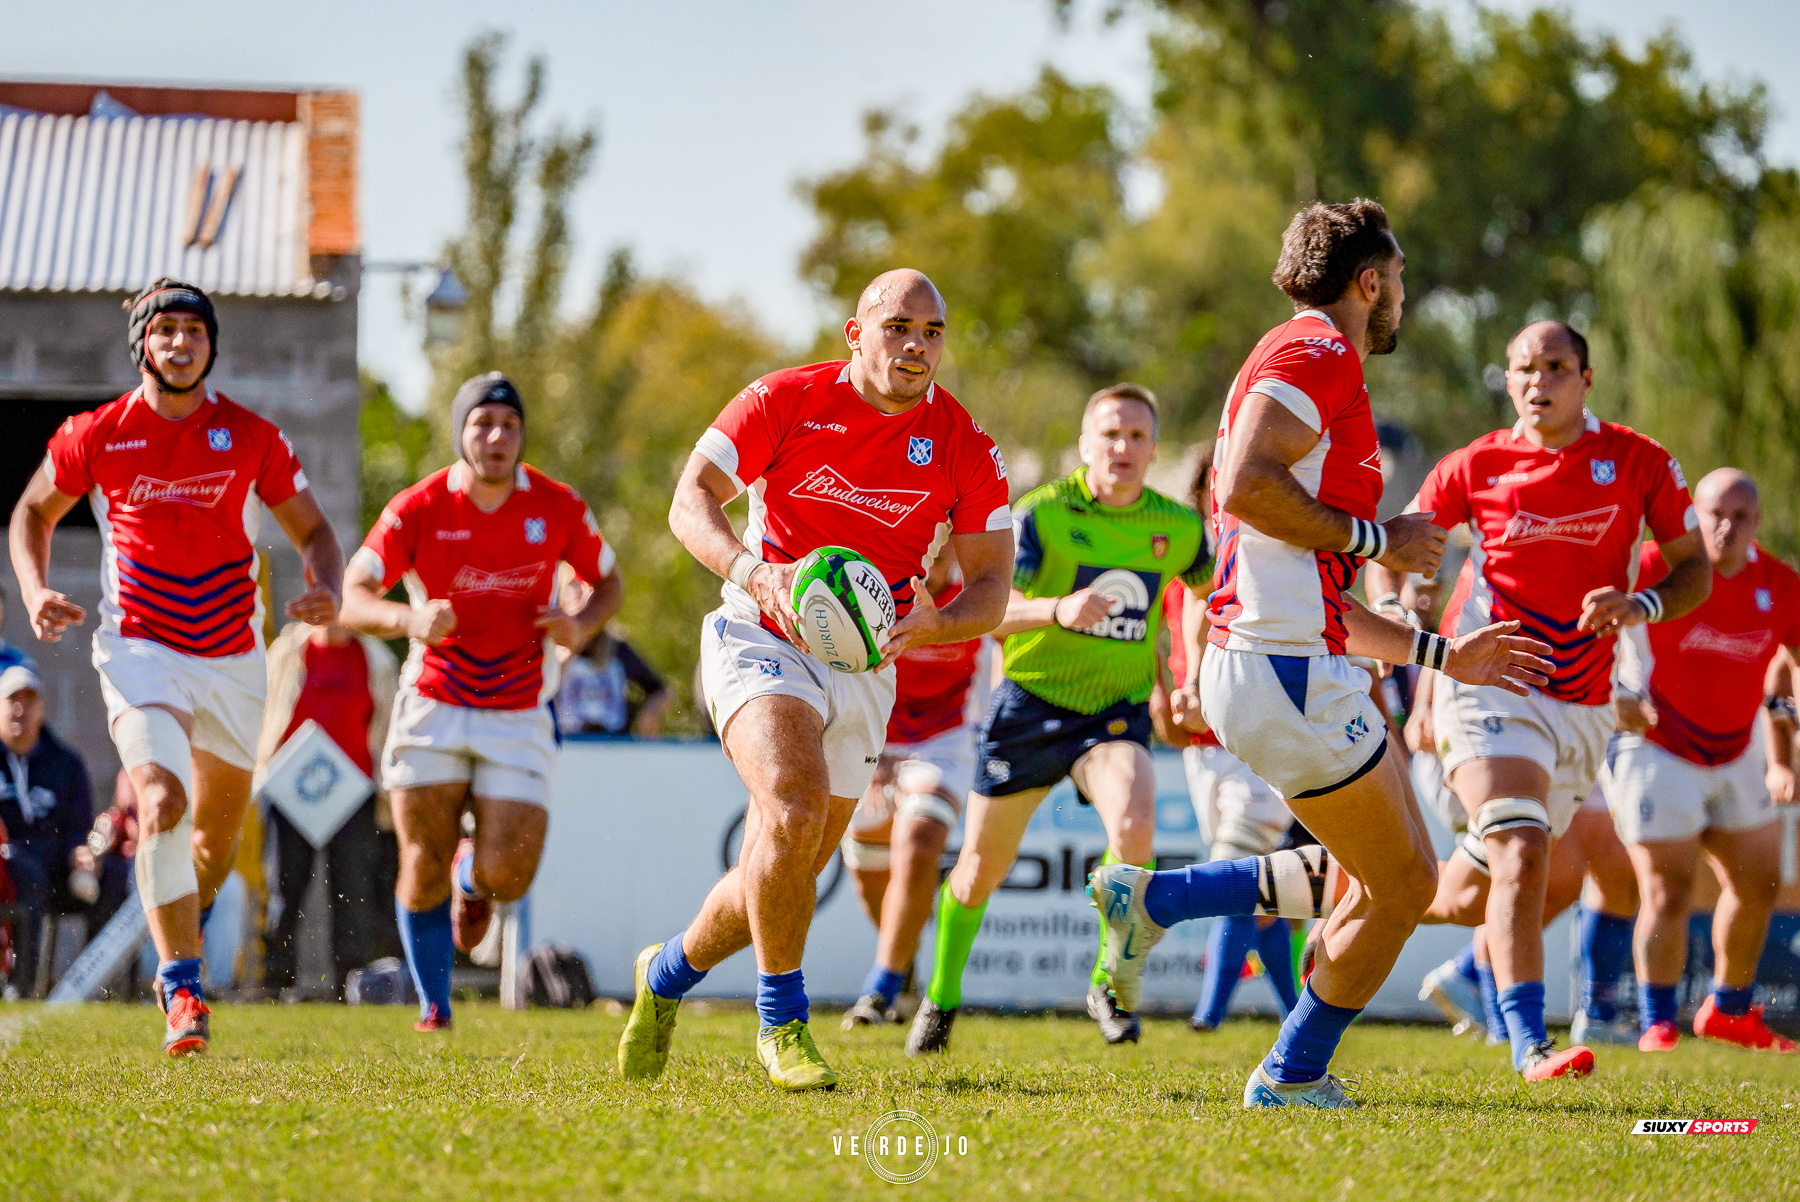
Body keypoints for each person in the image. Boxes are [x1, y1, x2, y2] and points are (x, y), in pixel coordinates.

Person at [1089, 200, 1551, 1109]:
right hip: (1280, 668)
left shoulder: (1306, 357)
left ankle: (1154, 907)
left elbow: (1326, 595)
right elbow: (1245, 483)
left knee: (1369, 875)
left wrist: (1442, 655)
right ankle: (1289, 1072)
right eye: (1402, 276)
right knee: (1409, 881)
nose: (1405, 296)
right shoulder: (1319, 351)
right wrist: (1382, 540)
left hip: (1291, 660)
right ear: (1368, 282)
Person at [619, 269, 1013, 1092]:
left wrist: (940, 622)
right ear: (855, 332)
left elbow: (991, 587)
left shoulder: (967, 445)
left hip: (866, 671)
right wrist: (752, 571)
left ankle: (663, 979)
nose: (917, 345)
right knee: (792, 805)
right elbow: (690, 499)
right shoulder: (781, 399)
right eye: (900, 325)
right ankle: (783, 1024)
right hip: (758, 634)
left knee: (788, 857)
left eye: (933, 331)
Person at [1368, 317, 1709, 1081]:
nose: (1536, 381)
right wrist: (1396, 613)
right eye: (1523, 368)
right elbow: (1394, 551)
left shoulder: (1639, 461)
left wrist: (1642, 604)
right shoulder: (1475, 465)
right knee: (1523, 847)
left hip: (1584, 706)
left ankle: (1249, 892)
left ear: (1586, 380)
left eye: (1555, 367)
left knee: (1455, 891)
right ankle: (1529, 1042)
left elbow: (1693, 568)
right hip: (1490, 685)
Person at [8, 278, 342, 1055]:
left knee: (213, 843)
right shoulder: (95, 433)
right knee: (158, 800)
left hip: (232, 657)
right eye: (166, 331)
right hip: (141, 649)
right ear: (143, 346)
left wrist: (324, 585)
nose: (181, 343)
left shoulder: (253, 436)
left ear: (211, 345)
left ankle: (181, 923)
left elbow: (315, 529)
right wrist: (35, 588)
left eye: (195, 331)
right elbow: (32, 511)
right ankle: (182, 987)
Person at [903, 382, 1208, 1054]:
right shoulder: (1040, 516)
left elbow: (1207, 597)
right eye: (1109, 434)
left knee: (1135, 824)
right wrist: (1057, 609)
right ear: (1084, 444)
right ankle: (942, 997)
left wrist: (1187, 681)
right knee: (980, 867)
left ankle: (1107, 979)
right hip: (1031, 705)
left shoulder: (1180, 527)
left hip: (1114, 713)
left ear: (1153, 449)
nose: (1122, 447)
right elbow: (982, 612)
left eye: (1135, 437)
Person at [341, 372, 621, 1033]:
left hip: (520, 704)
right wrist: (410, 621)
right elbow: (354, 594)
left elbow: (608, 581)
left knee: (508, 876)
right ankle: (434, 1006)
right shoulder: (419, 505)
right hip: (434, 700)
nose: (496, 437)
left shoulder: (555, 505)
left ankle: (474, 879)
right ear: (461, 432)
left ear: (521, 437)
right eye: (482, 424)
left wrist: (580, 627)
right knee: (420, 858)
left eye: (509, 426)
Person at [1605, 468, 1798, 1053]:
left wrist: (1783, 755)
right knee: (1668, 889)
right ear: (1693, 515)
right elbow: (1593, 626)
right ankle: (1658, 1021)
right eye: (1715, 513)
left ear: (1757, 523)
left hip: (1740, 746)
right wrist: (1616, 697)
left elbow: (1789, 666)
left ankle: (1729, 1009)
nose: (1726, 527)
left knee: (1760, 881)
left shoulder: (1782, 584)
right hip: (1658, 745)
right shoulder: (1653, 565)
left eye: (1741, 516)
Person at [1157, 448, 1300, 1030]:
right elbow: (1170, 635)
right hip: (1202, 748)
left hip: (1257, 741)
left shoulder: (1269, 558)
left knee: (1238, 874)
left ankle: (1207, 1015)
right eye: (1210, 485)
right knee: (1259, 894)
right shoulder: (1185, 563)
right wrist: (1165, 695)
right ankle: (1297, 1012)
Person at [841, 536, 990, 1027]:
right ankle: (901, 965)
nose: (939, 553)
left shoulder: (975, 596)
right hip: (873, 735)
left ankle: (879, 988)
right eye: (932, 541)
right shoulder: (871, 586)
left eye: (950, 542)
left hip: (945, 739)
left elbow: (1008, 640)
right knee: (868, 868)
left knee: (920, 839)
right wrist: (873, 746)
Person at [255, 620, 399, 1000]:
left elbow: (385, 722)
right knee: (284, 890)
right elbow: (266, 713)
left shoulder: (375, 659)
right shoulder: (287, 653)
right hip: (290, 793)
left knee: (353, 893)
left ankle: (348, 986)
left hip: (355, 796)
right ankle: (276, 982)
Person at [0, 667, 95, 998]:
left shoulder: (66, 762)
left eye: (29, 700)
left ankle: (102, 986)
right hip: (6, 868)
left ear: (41, 709)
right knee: (25, 869)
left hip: (57, 866)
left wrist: (82, 852)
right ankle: (21, 985)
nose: (20, 709)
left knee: (112, 875)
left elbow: (81, 826)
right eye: (12, 699)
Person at [554, 621, 671, 736]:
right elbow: (546, 691)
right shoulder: (556, 646)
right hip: (569, 742)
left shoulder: (617, 649)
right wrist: (569, 651)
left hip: (614, 743)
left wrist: (650, 714)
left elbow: (659, 690)